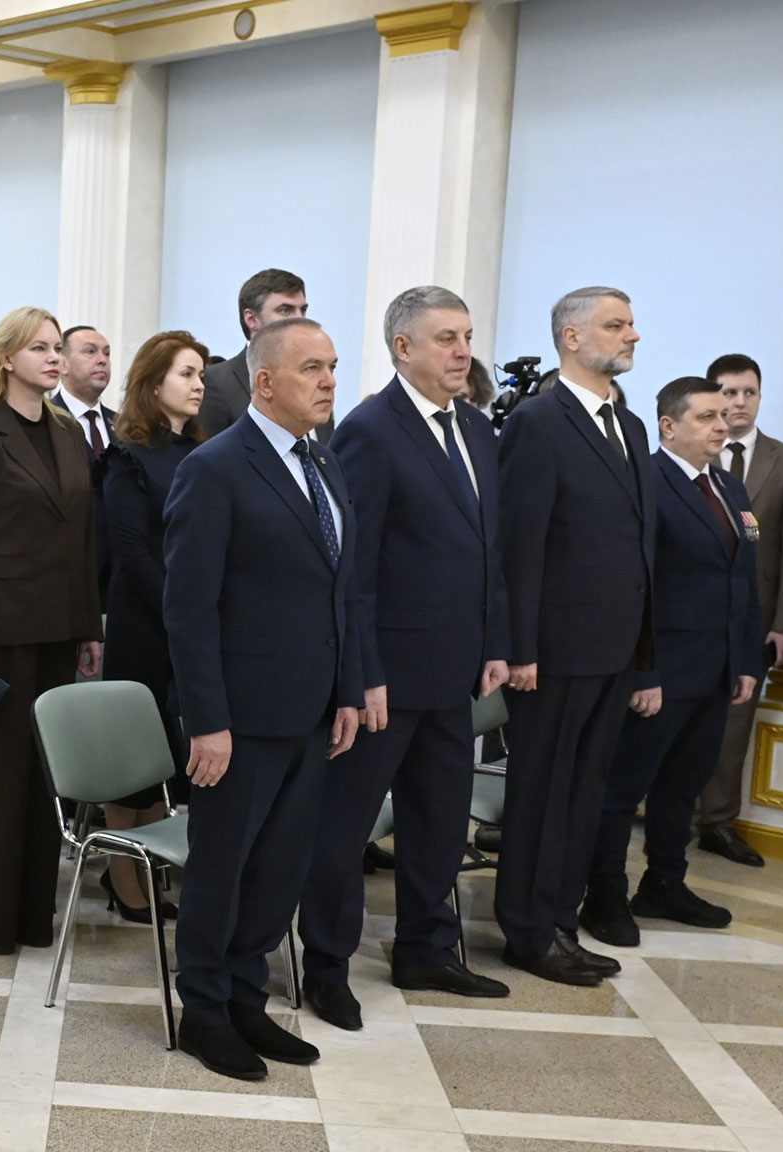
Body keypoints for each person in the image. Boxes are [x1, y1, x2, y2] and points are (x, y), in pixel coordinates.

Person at [298, 287, 512, 1033]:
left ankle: (426, 948)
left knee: (440, 821)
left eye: (467, 336)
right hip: (385, 678)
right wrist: (363, 673)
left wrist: (495, 642)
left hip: (456, 671)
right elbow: (351, 568)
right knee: (345, 828)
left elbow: (489, 550)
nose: (463, 351)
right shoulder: (370, 430)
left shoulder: (477, 428)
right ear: (403, 347)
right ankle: (327, 966)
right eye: (446, 338)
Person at [162, 316, 361, 1082]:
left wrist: (347, 691)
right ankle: (205, 1012)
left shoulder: (324, 460)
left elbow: (342, 590)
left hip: (311, 711)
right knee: (224, 870)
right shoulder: (215, 468)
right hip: (240, 718)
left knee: (278, 870)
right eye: (313, 368)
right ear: (266, 381)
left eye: (333, 366)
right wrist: (207, 722)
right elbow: (189, 608)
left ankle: (247, 999)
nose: (329, 381)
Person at [496, 286, 654, 987]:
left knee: (584, 794)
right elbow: (520, 545)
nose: (632, 335)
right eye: (616, 325)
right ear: (571, 337)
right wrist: (520, 649)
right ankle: (529, 932)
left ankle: (561, 919)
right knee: (542, 795)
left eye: (631, 324)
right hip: (554, 652)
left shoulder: (631, 424)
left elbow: (642, 546)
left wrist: (645, 653)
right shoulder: (537, 422)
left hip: (614, 648)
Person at [0, 306, 103, 955]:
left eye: (57, 347)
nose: (54, 358)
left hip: (58, 628)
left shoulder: (66, 432)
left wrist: (89, 625)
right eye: (40, 348)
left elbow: (83, 537)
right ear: (7, 358)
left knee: (40, 779)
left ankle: (33, 916)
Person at [580, 377, 760, 948]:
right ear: (668, 425)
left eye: (723, 416)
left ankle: (664, 883)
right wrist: (644, 670)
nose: (722, 425)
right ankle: (604, 894)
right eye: (706, 417)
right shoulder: (649, 483)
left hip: (716, 670)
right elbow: (638, 586)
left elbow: (745, 580)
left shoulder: (730, 487)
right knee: (624, 787)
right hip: (662, 671)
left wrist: (746, 660)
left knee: (683, 787)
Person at [100, 329, 208, 919]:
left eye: (200, 375)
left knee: (168, 750)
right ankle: (123, 877)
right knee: (133, 754)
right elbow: (131, 550)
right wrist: (177, 612)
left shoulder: (199, 451)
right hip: (146, 621)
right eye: (186, 374)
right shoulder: (128, 455)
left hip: (189, 620)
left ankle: (144, 869)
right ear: (153, 382)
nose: (198, 385)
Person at [696, 353, 783, 867]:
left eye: (749, 392)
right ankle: (668, 814)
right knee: (679, 722)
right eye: (729, 392)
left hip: (753, 621)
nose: (739, 402)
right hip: (692, 619)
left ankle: (718, 823)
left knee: (734, 726)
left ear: (760, 397)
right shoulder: (692, 453)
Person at [196, 269, 333, 442]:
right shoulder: (217, 383)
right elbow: (210, 454)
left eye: (303, 310)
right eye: (285, 310)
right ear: (251, 319)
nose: (300, 319)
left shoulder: (319, 387)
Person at [53, 325, 115, 459]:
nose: (102, 360)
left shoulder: (123, 425)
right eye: (90, 351)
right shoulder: (46, 418)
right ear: (63, 364)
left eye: (107, 353)